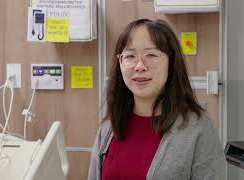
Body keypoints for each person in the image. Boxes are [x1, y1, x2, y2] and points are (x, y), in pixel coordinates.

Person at [88, 19, 226, 180]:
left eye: (151, 55)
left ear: (171, 62)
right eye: (130, 56)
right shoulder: (109, 128)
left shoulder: (198, 129)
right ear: (120, 62)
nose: (139, 66)